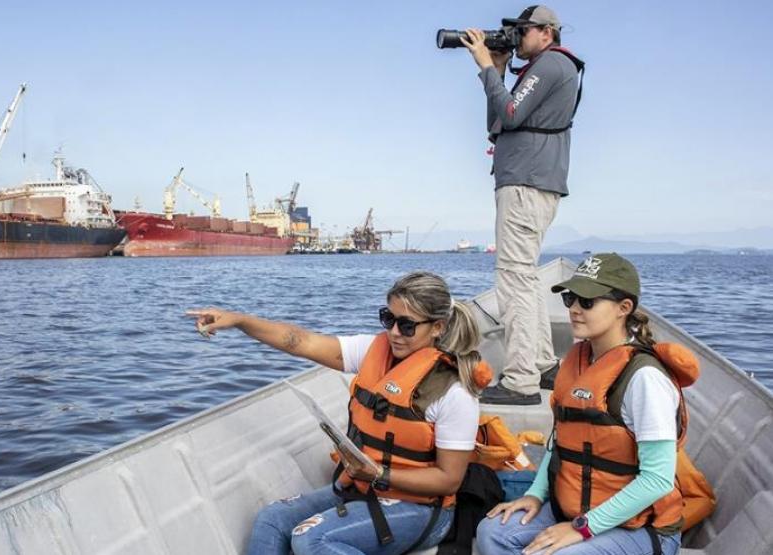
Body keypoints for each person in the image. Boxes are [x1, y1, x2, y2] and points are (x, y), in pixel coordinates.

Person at [187, 271, 490, 555]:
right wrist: (239, 320)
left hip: (423, 510)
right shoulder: (373, 350)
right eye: (388, 319)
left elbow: (449, 480)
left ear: (437, 327)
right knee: (272, 519)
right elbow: (300, 342)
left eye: (407, 325)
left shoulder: (454, 392)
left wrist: (379, 474)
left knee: (310, 539)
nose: (394, 333)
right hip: (362, 487)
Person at [476, 253, 690, 555]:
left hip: (641, 528)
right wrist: (536, 494)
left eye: (587, 301)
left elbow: (657, 480)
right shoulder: (576, 362)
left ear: (624, 308)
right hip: (573, 510)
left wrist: (582, 528)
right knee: (492, 532)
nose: (574, 309)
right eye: (570, 299)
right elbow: (559, 443)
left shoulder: (644, 379)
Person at [461, 5, 585, 405]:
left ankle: (520, 381)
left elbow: (511, 114)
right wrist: (496, 72)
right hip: (531, 183)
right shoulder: (545, 67)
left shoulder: (550, 64)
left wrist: (484, 65)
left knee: (513, 280)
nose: (516, 38)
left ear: (546, 33)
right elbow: (497, 120)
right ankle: (544, 365)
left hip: (525, 185)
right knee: (526, 279)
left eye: (522, 31)